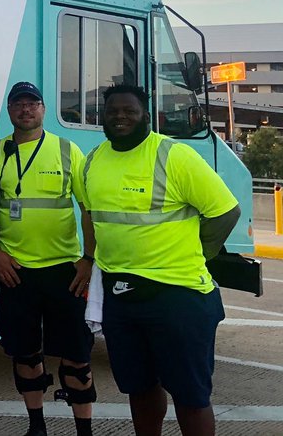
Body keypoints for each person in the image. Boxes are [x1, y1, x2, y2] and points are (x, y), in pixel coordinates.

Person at [83, 84, 240, 436]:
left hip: (178, 295)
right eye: (112, 111)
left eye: (129, 111)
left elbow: (226, 212)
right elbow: (90, 213)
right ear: (102, 117)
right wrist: (88, 257)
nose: (120, 117)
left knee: (190, 394)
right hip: (121, 296)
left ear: (147, 117)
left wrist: (202, 251)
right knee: (138, 387)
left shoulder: (175, 156)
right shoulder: (93, 159)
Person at [0, 82, 97, 436]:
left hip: (65, 271)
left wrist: (89, 259)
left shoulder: (67, 150)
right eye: (18, 104)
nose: (26, 109)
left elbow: (87, 208)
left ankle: (85, 430)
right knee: (25, 354)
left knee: (77, 357)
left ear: (44, 110)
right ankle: (36, 427)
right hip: (15, 272)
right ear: (10, 111)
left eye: (33, 103)